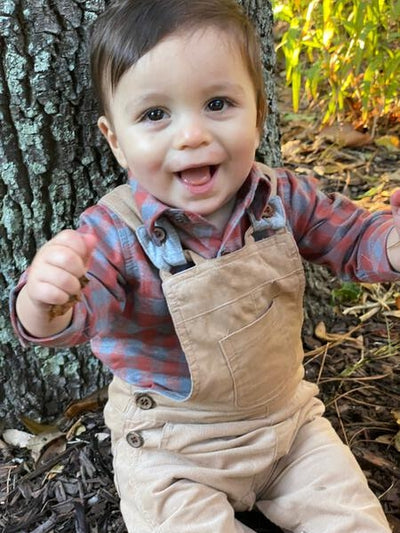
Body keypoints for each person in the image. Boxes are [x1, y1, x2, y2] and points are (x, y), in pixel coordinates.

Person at [10, 0, 400, 531]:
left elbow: (354, 239)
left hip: (287, 426)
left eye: (218, 103)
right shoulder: (112, 234)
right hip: (173, 446)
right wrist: (44, 302)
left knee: (355, 522)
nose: (191, 134)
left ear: (259, 115)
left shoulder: (281, 200)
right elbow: (79, 312)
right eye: (155, 115)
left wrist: (392, 243)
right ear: (117, 141)